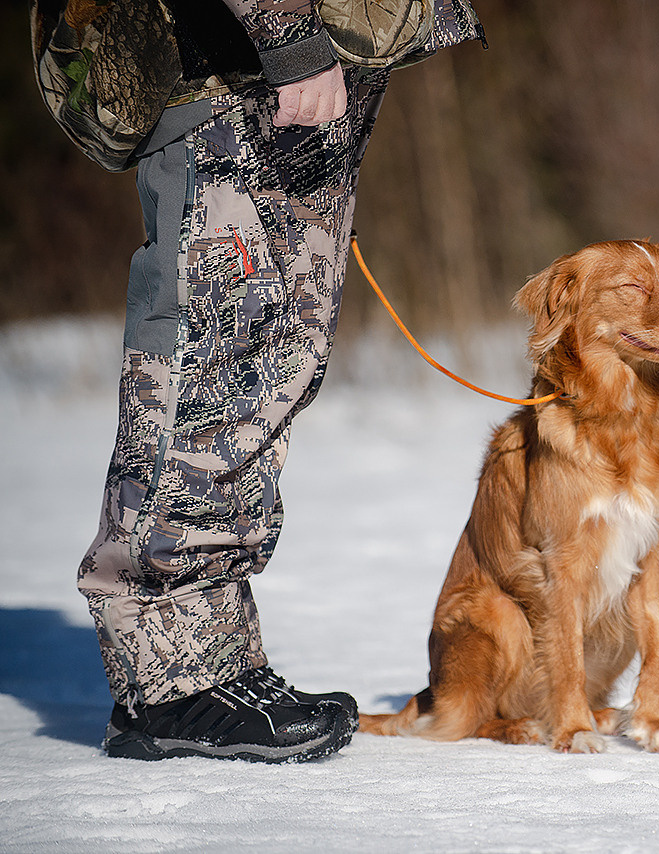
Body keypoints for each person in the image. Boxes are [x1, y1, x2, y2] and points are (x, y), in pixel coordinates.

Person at [30, 0, 483, 762]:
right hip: (229, 66)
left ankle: (216, 664)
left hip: (301, 72)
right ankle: (169, 687)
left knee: (274, 365)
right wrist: (291, 38)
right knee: (207, 360)